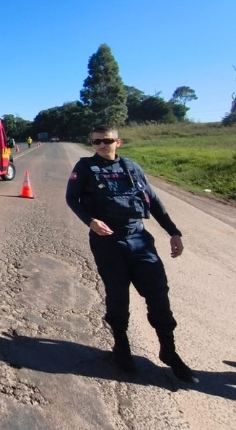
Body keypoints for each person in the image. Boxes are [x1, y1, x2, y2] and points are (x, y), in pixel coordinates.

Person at [65, 124, 197, 383]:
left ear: (118, 142)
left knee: (158, 293)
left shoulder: (132, 168)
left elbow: (154, 201)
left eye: (107, 140)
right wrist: (90, 221)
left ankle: (169, 352)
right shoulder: (84, 168)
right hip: (107, 243)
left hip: (139, 239)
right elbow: (72, 199)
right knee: (117, 296)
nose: (102, 145)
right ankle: (121, 347)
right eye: (96, 141)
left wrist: (174, 231)